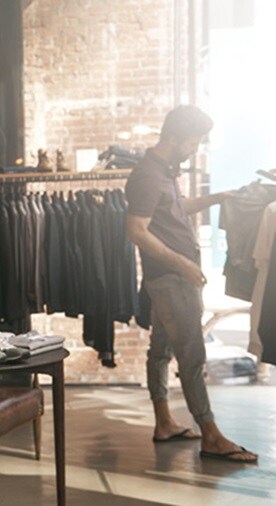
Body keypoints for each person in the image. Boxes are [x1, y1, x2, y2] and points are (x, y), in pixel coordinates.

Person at [125, 105, 257, 463]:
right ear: (175, 138)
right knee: (192, 355)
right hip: (171, 280)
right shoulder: (147, 177)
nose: (195, 149)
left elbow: (177, 209)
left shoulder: (163, 173)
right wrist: (183, 264)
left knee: (161, 350)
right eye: (193, 142)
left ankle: (164, 423)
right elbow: (136, 231)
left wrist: (219, 197)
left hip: (170, 278)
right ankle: (210, 435)